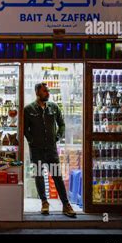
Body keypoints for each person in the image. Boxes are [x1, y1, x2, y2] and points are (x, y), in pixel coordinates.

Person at [24, 82, 76, 218]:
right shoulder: (28, 109)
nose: (48, 93)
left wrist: (58, 136)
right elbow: (24, 129)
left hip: (51, 150)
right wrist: (32, 141)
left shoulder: (54, 107)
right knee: (39, 177)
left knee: (57, 177)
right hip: (37, 150)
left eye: (47, 91)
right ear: (37, 93)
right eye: (45, 91)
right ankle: (44, 203)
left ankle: (66, 204)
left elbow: (62, 124)